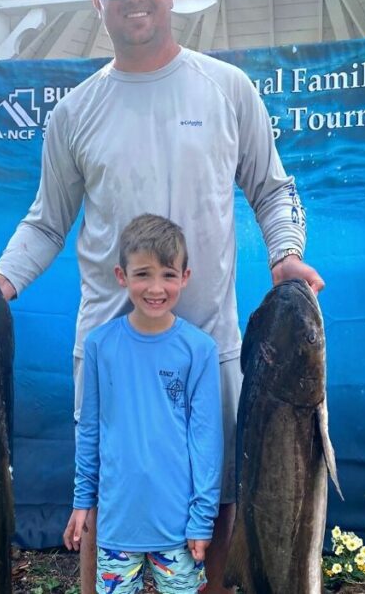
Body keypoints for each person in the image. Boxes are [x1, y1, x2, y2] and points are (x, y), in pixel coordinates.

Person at [0, 0, 324, 593]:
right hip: (109, 352)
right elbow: (45, 222)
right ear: (98, 1)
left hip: (209, 346)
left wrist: (285, 255)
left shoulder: (228, 88)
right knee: (105, 511)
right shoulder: (74, 113)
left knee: (215, 509)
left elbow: (274, 189)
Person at [62, 214, 222, 594]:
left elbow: (206, 441)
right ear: (122, 276)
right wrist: (82, 501)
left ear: (185, 276)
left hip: (178, 528)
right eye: (143, 274)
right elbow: (90, 429)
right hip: (117, 526)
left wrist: (202, 517)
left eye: (168, 274)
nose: (155, 287)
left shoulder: (199, 349)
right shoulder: (100, 345)